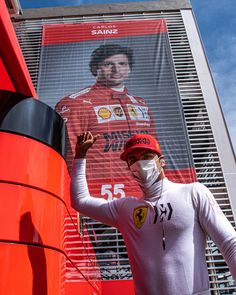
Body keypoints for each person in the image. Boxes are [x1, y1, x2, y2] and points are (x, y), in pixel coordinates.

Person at [71, 131, 236, 295]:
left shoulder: (194, 193)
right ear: (130, 169)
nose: (140, 164)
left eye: (146, 156)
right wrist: (80, 155)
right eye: (133, 160)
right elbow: (81, 201)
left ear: (161, 161)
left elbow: (230, 244)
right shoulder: (125, 209)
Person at [56, 44, 156, 198]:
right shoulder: (74, 103)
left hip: (143, 192)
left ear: (129, 68)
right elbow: (69, 154)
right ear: (95, 68)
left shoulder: (140, 103)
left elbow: (154, 149)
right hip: (97, 196)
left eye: (122, 64)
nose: (116, 70)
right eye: (109, 64)